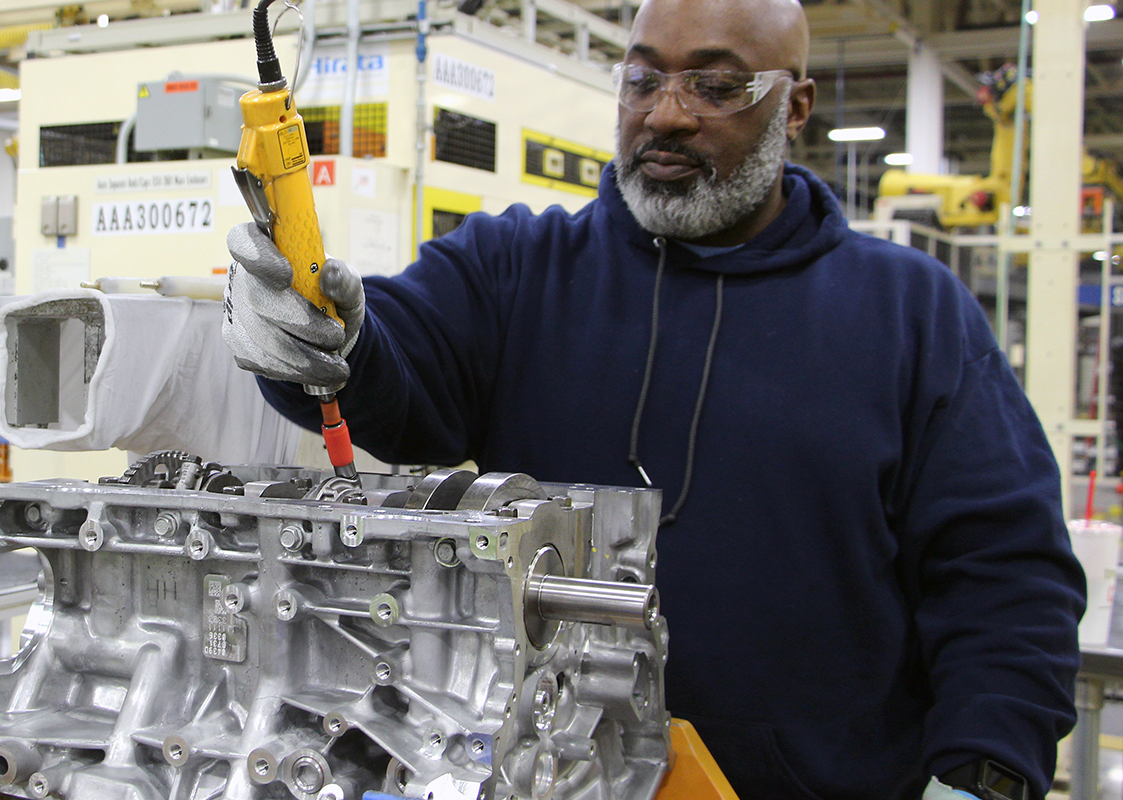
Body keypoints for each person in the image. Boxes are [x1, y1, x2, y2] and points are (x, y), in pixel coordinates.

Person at [221, 0, 1087, 797]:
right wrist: (315, 338)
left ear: (795, 107)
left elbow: (1004, 576)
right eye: (642, 79)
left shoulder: (911, 314)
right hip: (553, 778)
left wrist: (985, 771)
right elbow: (390, 364)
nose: (666, 114)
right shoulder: (517, 271)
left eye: (716, 86)